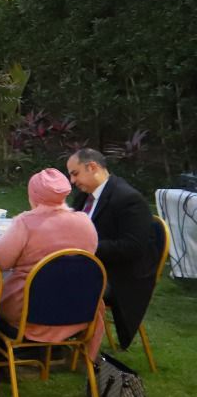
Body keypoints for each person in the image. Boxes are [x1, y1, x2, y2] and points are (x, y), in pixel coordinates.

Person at [0, 168, 105, 360]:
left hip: (28, 312)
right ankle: (51, 351)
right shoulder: (85, 223)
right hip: (77, 308)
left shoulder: (26, 224)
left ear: (34, 195)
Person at [67, 148, 160, 349]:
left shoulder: (129, 199)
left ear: (92, 167)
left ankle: (56, 342)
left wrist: (86, 248)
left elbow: (132, 247)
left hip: (120, 275)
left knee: (58, 282)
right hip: (90, 265)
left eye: (75, 174)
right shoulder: (85, 196)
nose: (72, 181)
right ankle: (50, 341)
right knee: (41, 273)